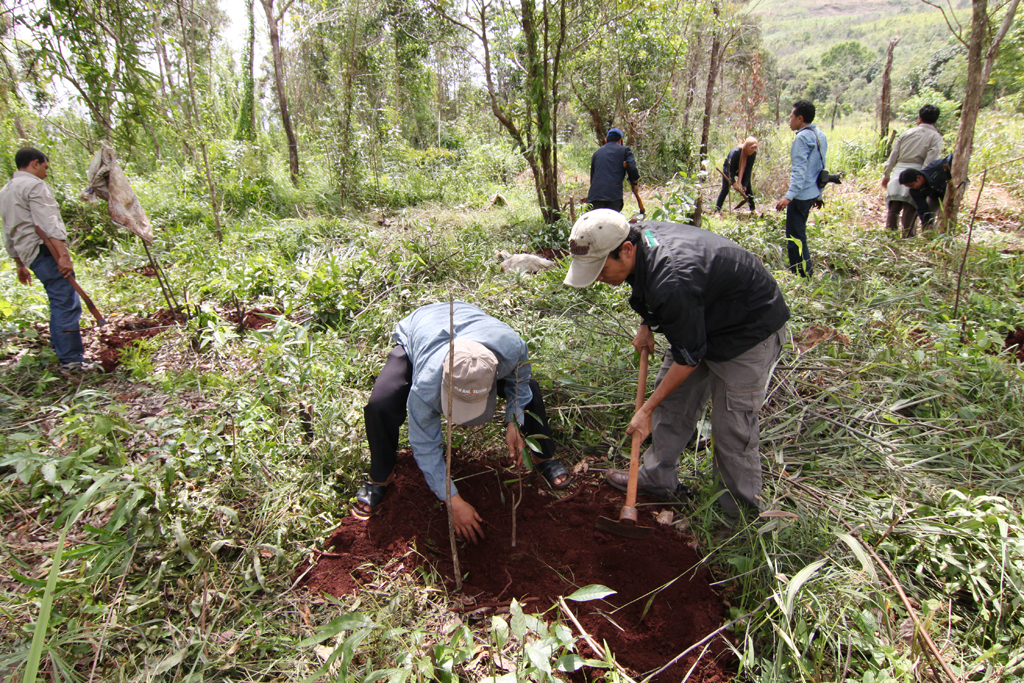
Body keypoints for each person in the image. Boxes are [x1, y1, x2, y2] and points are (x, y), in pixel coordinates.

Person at [563, 209, 789, 527]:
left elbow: (688, 356)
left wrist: (646, 410)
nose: (598, 276)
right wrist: (646, 324)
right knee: (673, 400)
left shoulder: (671, 279)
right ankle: (657, 476)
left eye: (601, 268)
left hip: (748, 331)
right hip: (702, 316)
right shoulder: (634, 237)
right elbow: (650, 288)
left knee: (732, 429)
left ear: (626, 250)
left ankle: (739, 522)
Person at [356, 301, 570, 543]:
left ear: (496, 372)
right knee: (380, 404)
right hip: (423, 329)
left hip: (471, 322)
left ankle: (544, 456)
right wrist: (454, 502)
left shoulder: (511, 349)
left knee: (529, 389)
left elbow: (520, 379)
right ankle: (381, 476)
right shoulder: (426, 387)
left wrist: (514, 420)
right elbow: (425, 445)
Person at [1, 147, 89, 373]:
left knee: (57, 298)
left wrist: (19, 263)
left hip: (29, 254)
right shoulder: (34, 185)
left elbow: (8, 229)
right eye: (45, 167)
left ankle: (60, 348)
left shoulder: (6, 190)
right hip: (45, 250)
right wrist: (64, 255)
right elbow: (49, 223)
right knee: (65, 302)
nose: (46, 173)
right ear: (34, 164)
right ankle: (71, 360)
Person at [775, 101, 827, 278]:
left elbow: (800, 171)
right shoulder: (820, 135)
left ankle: (802, 273)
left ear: (800, 118)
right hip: (812, 193)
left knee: (795, 237)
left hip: (801, 195)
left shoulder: (802, 138)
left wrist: (789, 197)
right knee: (799, 234)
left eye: (791, 117)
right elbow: (822, 168)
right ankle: (803, 270)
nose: (789, 120)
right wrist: (819, 194)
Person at [881, 105, 944, 238]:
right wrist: (924, 179)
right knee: (910, 210)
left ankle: (889, 237)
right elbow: (930, 162)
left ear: (920, 117)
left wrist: (887, 175)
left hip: (898, 173)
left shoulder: (907, 133)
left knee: (893, 210)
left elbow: (893, 156)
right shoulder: (935, 137)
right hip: (917, 175)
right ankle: (908, 238)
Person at [587, 127, 640, 213]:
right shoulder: (625, 150)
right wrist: (634, 183)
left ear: (606, 140)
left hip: (594, 198)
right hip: (613, 198)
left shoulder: (596, 153)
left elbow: (593, 178)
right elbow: (632, 167)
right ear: (620, 141)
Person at [899, 152, 954, 234]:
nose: (912, 188)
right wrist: (926, 224)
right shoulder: (914, 191)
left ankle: (949, 234)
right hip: (936, 195)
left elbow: (952, 157)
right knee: (930, 215)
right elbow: (922, 209)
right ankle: (931, 237)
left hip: (954, 187)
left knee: (947, 213)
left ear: (919, 178)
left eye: (912, 185)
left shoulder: (936, 167)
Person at [715, 137, 759, 214]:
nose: (753, 150)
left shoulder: (753, 154)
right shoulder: (736, 152)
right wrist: (733, 182)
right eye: (751, 148)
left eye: (755, 148)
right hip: (729, 169)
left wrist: (744, 184)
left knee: (748, 188)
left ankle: (753, 209)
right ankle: (717, 211)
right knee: (725, 189)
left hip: (742, 169)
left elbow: (749, 169)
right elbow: (729, 168)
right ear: (747, 146)